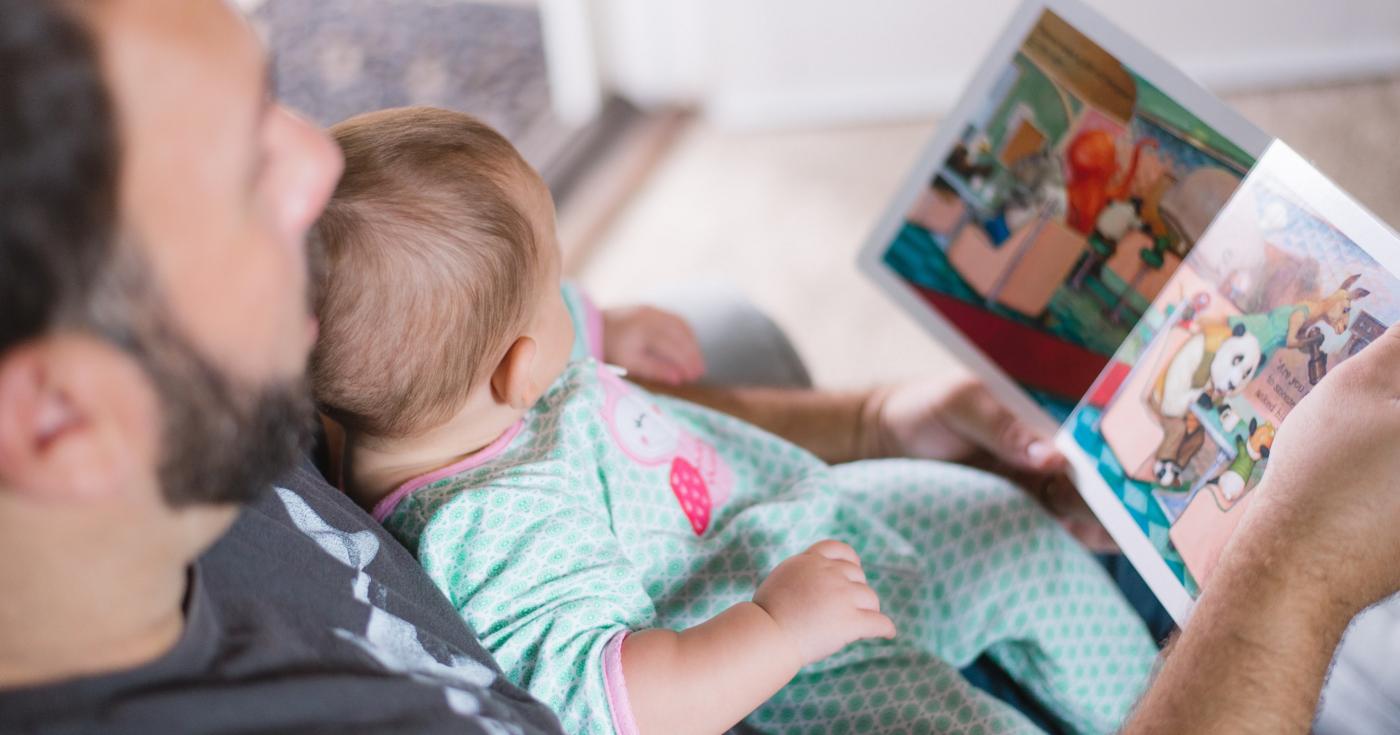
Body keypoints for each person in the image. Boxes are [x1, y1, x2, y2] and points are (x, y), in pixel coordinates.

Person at [0, 1, 1395, 733]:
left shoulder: (261, 388)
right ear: (57, 418)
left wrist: (859, 412)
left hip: (758, 529)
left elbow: (541, 404)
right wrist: (1298, 564)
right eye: (243, 172)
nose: (316, 156)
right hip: (770, 651)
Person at [309, 106, 1157, 735]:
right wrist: (779, 627)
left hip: (801, 511)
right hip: (793, 659)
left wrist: (603, 323)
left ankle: (1152, 701)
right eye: (557, 283)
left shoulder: (445, 389)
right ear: (519, 367)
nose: (570, 294)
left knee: (1005, 523)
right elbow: (616, 703)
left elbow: (513, 319)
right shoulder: (493, 528)